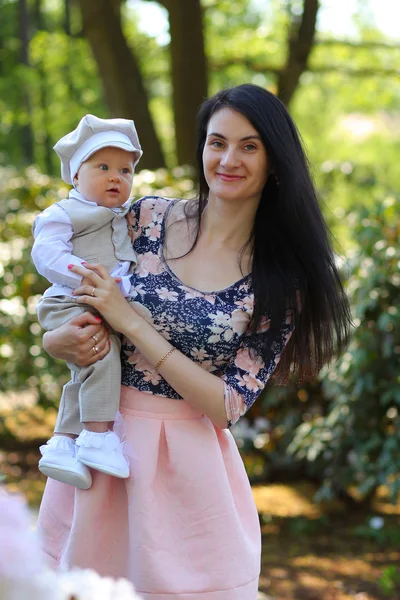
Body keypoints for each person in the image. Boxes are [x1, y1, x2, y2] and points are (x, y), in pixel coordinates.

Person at [36, 84, 351, 599]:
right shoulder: (146, 218)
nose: (228, 159)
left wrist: (134, 324)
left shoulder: (280, 279)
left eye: (249, 146)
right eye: (217, 142)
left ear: (275, 161)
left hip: (188, 474)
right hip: (101, 444)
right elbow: (68, 290)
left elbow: (228, 405)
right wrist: (56, 341)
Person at [31, 115, 142, 490]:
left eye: (126, 170)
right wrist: (87, 274)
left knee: (86, 368)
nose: (116, 177)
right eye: (104, 167)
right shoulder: (63, 213)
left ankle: (63, 443)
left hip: (97, 300)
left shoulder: (124, 218)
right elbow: (46, 254)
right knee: (101, 355)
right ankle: (96, 435)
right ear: (76, 176)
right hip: (70, 300)